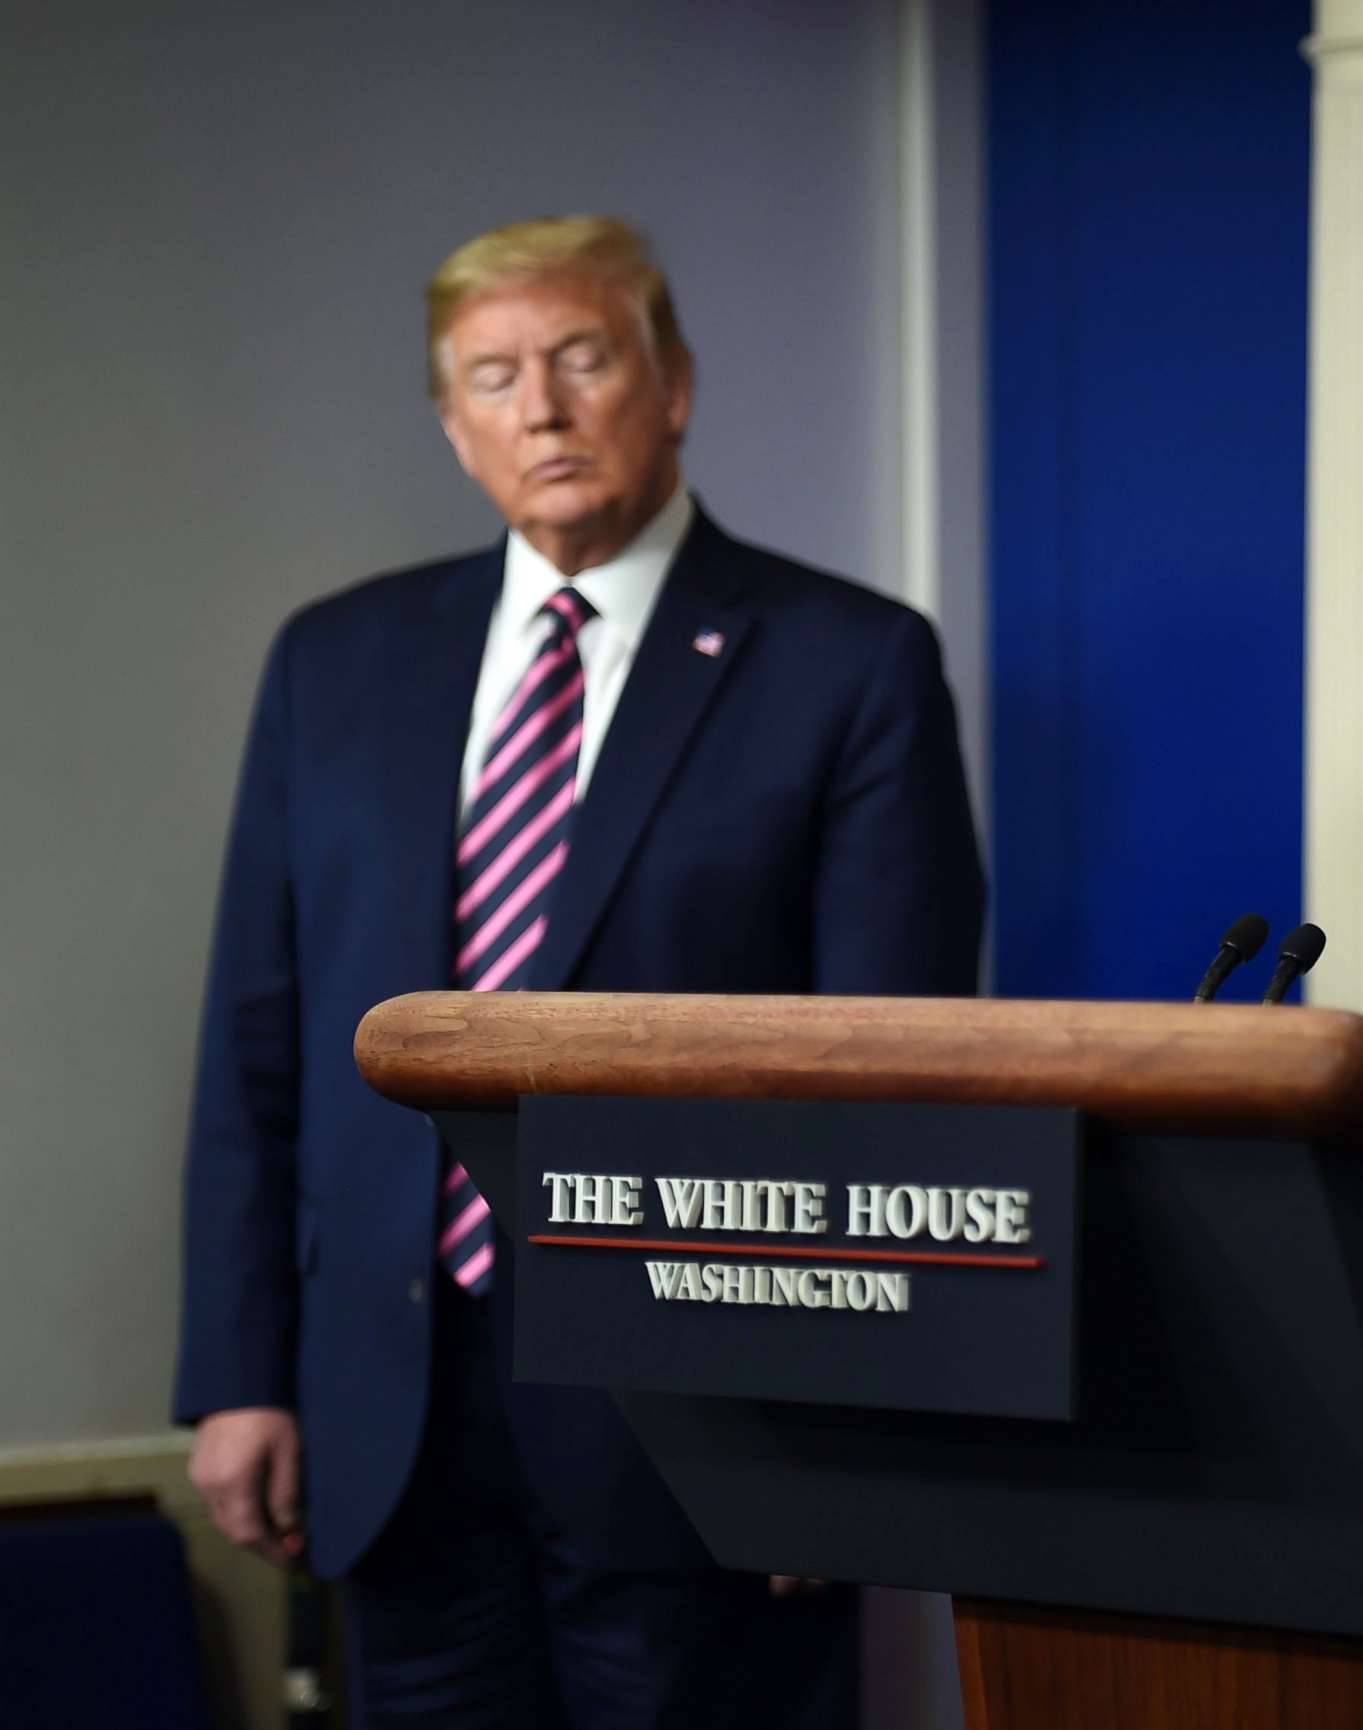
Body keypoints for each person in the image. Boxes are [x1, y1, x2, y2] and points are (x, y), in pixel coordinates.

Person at [174, 216, 985, 1727]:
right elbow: (258, 1039)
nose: (538, 407)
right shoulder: (335, 663)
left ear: (672, 384)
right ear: (451, 425)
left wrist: (848, 1427)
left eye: (581, 359)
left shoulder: (846, 662)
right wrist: (239, 1371)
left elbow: (899, 1071)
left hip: (712, 1424)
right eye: (491, 377)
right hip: (393, 1415)